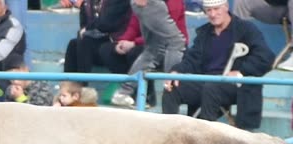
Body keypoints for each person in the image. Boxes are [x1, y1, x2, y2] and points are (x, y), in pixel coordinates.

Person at [163, 0, 274, 131]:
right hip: (207, 81)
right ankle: (169, 133)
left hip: (235, 85)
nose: (213, 14)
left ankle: (204, 138)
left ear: (226, 7)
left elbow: (266, 57)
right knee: (171, 88)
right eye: (209, 10)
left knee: (211, 88)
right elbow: (192, 59)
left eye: (216, 9)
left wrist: (240, 72)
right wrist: (176, 71)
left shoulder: (246, 29)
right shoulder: (204, 33)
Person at [111, 0, 187, 107]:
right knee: (176, 41)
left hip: (150, 4)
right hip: (150, 3)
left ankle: (124, 92)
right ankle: (170, 87)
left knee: (153, 50)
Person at [63, 0, 133, 76]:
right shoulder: (87, 4)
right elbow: (82, 28)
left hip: (116, 42)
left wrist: (88, 28)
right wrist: (86, 30)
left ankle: (83, 83)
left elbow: (107, 23)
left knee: (85, 41)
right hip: (95, 43)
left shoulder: (119, 2)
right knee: (73, 44)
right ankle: (69, 83)